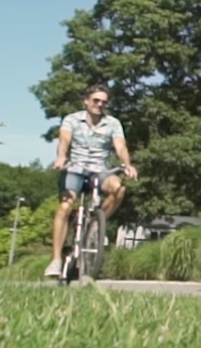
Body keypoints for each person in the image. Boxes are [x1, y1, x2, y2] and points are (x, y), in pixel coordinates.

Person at [45, 84, 137, 278]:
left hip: (99, 170)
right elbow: (64, 141)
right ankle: (55, 260)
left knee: (118, 189)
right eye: (96, 100)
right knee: (64, 207)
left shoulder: (112, 123)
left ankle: (96, 224)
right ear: (86, 101)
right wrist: (61, 157)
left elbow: (120, 146)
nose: (99, 105)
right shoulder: (72, 120)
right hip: (75, 168)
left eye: (104, 102)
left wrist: (127, 164)